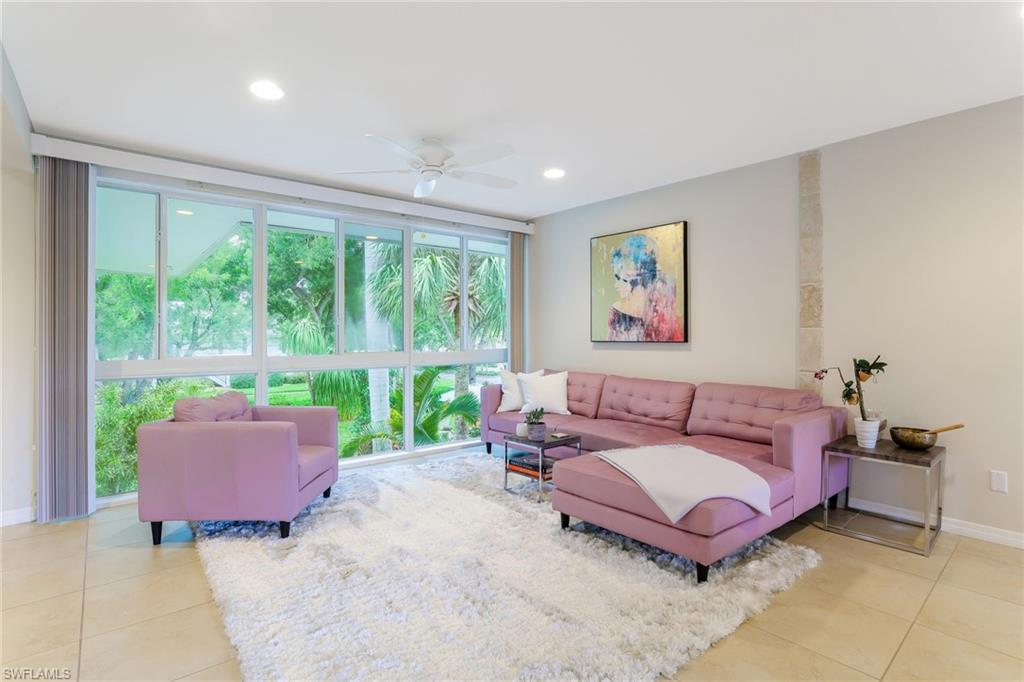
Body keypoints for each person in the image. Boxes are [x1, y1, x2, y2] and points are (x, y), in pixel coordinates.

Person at [607, 235, 683, 342]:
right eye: (617, 278)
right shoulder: (618, 312)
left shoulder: (664, 313)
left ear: (639, 280)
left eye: (622, 279)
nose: (616, 285)